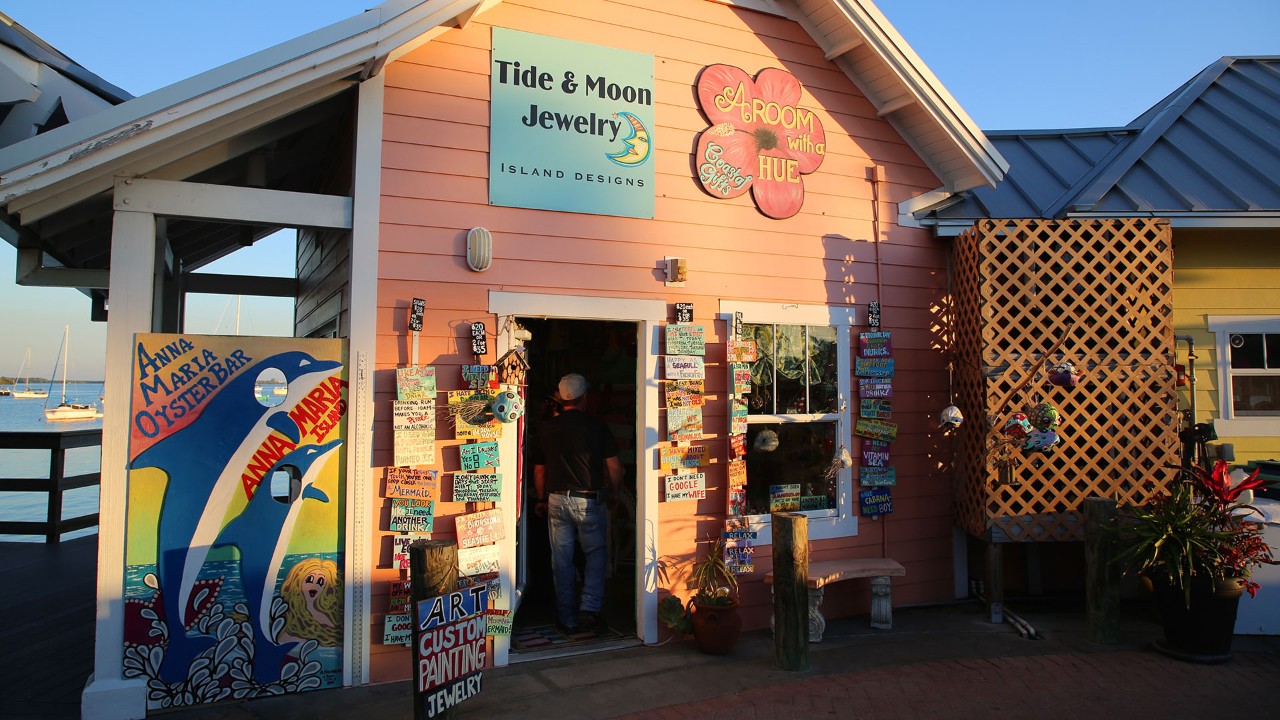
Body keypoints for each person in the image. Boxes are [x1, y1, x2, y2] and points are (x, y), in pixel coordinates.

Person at [532, 373, 624, 635]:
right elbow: (614, 467)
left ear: (561, 399)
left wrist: (540, 499)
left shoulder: (547, 428)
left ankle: (567, 618)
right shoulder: (596, 426)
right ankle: (590, 610)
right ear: (585, 398)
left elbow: (539, 470)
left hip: (556, 499)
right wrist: (615, 493)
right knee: (595, 555)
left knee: (561, 559)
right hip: (589, 499)